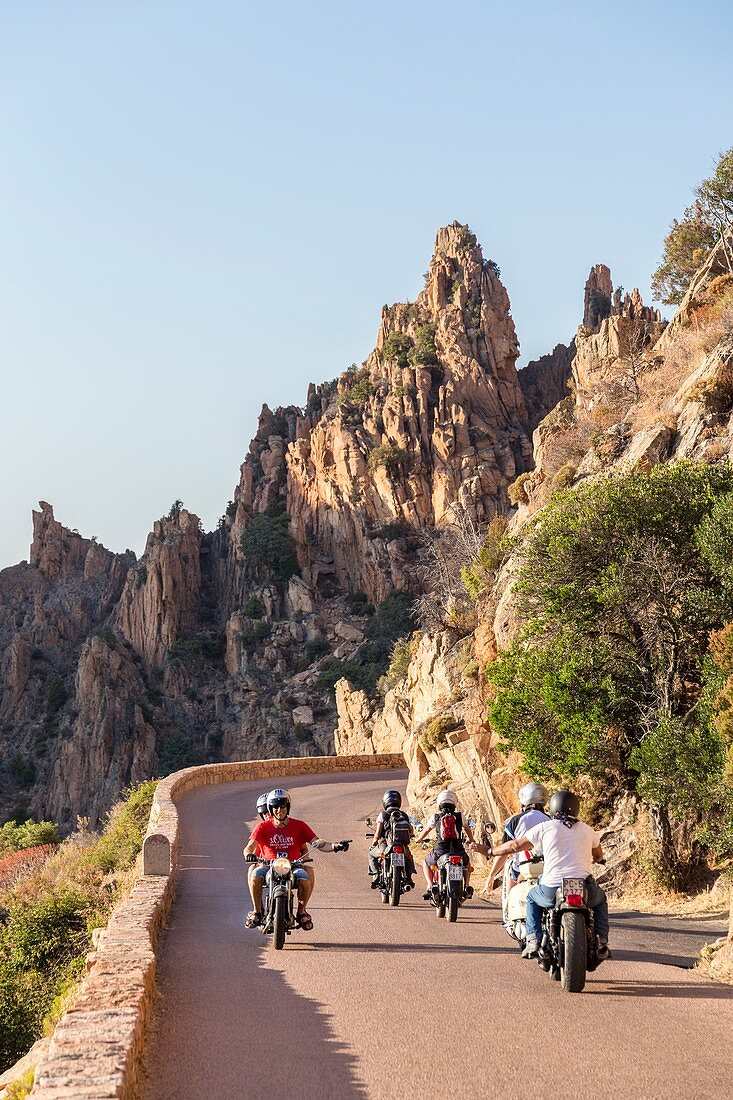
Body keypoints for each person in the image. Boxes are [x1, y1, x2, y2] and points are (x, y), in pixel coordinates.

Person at [489, 789, 610, 960]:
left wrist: (490, 850)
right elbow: (598, 855)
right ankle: (601, 941)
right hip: (583, 885)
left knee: (532, 897)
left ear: (552, 808)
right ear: (576, 808)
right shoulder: (588, 830)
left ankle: (533, 940)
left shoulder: (545, 827)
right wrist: (597, 859)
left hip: (553, 886)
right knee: (600, 899)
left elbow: (515, 846)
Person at [243, 788, 349, 931]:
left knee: (305, 879)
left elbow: (318, 843)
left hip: (293, 866)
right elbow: (249, 847)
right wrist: (249, 854)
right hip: (268, 865)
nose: (279, 810)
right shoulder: (262, 826)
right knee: (255, 876)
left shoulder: (299, 825)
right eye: (275, 806)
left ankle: (301, 911)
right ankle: (257, 911)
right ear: (270, 808)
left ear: (288, 807)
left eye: (283, 806)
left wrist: (336, 846)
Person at [483, 781, 549, 894]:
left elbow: (504, 852)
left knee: (511, 873)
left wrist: (491, 875)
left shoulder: (515, 821)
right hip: (546, 869)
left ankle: (509, 907)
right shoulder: (552, 820)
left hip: (522, 870)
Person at [415, 789, 476, 900]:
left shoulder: (436, 817)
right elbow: (467, 829)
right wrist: (472, 840)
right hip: (458, 849)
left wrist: (418, 839)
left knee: (425, 862)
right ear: (454, 802)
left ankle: (430, 885)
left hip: (440, 850)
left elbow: (426, 831)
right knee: (466, 865)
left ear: (439, 803)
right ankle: (467, 886)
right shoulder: (460, 816)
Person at [368, 789, 415, 889]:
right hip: (402, 845)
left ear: (385, 802)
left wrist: (374, 843)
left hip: (386, 845)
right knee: (409, 857)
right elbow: (411, 829)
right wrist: (411, 835)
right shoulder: (404, 815)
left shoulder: (383, 814)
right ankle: (409, 878)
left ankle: (376, 875)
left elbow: (378, 833)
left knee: (371, 854)